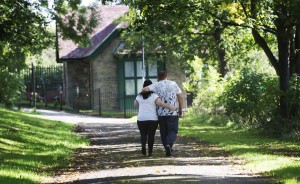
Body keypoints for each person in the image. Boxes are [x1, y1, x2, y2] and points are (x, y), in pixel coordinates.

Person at [142, 71, 183, 156]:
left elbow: (145, 89)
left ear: (158, 77)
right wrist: (180, 109)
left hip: (160, 113)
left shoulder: (156, 85)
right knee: (173, 130)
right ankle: (169, 144)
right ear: (166, 76)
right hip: (172, 112)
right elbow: (180, 96)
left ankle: (166, 146)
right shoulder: (173, 84)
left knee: (163, 132)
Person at [134, 79, 177, 157]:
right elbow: (160, 103)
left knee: (143, 134)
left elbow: (135, 104)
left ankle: (143, 146)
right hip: (152, 119)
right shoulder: (154, 95)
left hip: (141, 118)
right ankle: (150, 152)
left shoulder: (139, 96)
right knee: (151, 135)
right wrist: (170, 107)